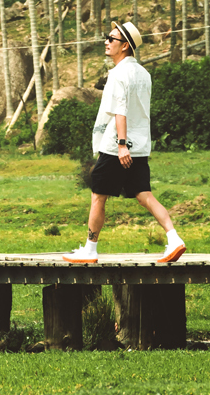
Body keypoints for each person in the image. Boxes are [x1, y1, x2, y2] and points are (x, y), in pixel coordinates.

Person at [61, 21, 186, 266]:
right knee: (144, 195)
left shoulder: (118, 74)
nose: (106, 42)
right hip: (140, 145)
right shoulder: (144, 74)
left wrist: (121, 144)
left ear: (125, 45)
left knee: (98, 196)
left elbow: (121, 110)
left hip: (117, 146)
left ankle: (90, 249)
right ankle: (174, 238)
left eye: (112, 38)